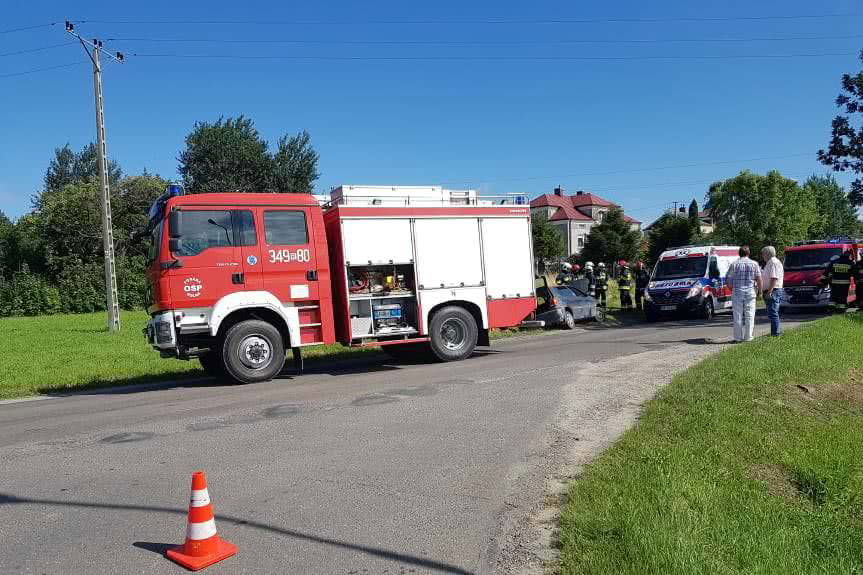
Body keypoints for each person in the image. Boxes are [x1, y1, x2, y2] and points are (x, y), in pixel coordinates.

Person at [725, 246, 762, 342]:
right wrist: (760, 292)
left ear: (739, 254)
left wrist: (732, 289)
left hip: (737, 292)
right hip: (750, 292)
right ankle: (748, 337)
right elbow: (759, 279)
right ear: (748, 253)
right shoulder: (754, 264)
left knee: (737, 315)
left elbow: (728, 279)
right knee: (750, 315)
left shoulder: (734, 264)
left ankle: (738, 338)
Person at [760, 246, 784, 336]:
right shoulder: (771, 262)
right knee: (772, 312)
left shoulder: (773, 262)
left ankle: (775, 333)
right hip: (773, 290)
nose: (762, 256)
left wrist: (769, 291)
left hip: (773, 290)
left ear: (767, 254)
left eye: (763, 254)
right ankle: (775, 332)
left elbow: (774, 278)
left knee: (773, 312)